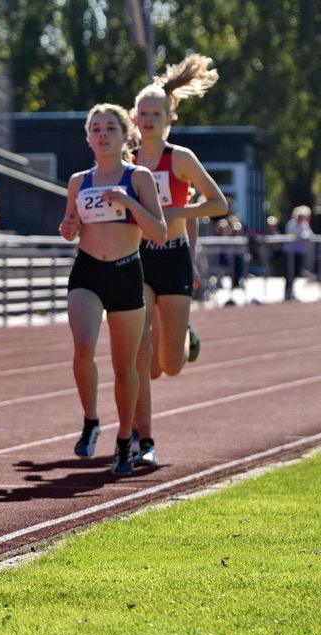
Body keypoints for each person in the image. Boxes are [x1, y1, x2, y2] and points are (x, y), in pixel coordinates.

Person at [129, 54, 228, 465]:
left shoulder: (180, 158)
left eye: (157, 113)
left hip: (171, 259)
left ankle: (184, 334)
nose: (149, 119)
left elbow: (219, 203)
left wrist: (179, 214)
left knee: (166, 366)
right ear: (134, 119)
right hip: (135, 261)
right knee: (139, 360)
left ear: (169, 119)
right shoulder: (125, 160)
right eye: (143, 113)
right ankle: (142, 441)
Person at [59, 104, 166, 476]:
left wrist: (129, 203)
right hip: (87, 272)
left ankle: (125, 438)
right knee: (84, 346)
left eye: (110, 128)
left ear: (124, 136)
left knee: (125, 367)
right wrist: (69, 227)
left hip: (125, 272)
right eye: (96, 129)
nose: (102, 134)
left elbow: (159, 232)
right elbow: (72, 223)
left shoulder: (138, 177)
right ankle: (91, 420)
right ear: (88, 138)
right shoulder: (78, 181)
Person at [284, 205, 312, 300]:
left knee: (296, 272)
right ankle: (287, 292)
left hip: (300, 252)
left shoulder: (305, 224)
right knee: (289, 272)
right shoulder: (291, 224)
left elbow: (309, 234)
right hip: (291, 253)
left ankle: (291, 291)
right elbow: (292, 234)